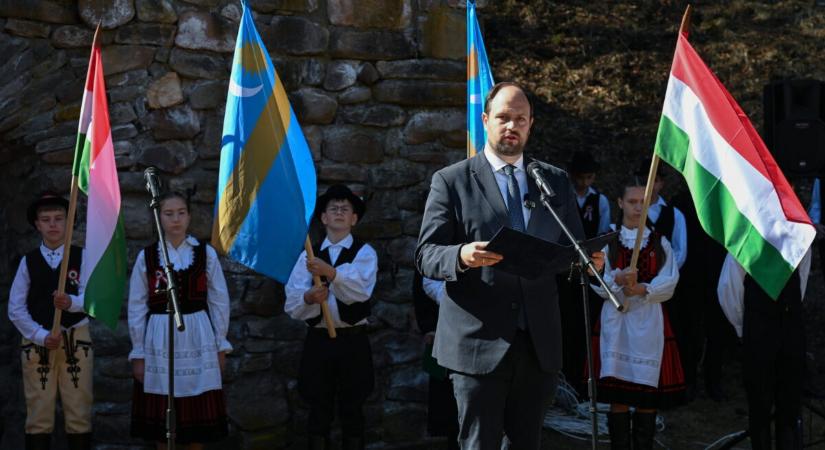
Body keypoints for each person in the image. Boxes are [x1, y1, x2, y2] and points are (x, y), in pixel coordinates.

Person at [415, 81, 602, 449]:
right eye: (503, 117)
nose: (512, 126)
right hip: (477, 342)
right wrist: (461, 255)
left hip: (538, 343)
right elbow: (426, 254)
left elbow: (572, 250)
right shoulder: (451, 181)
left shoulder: (554, 181)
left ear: (531, 124)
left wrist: (589, 261)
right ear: (486, 121)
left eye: (520, 119)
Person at [128, 191, 232, 449]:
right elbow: (137, 306)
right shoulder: (147, 257)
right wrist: (139, 352)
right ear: (158, 218)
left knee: (197, 422)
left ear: (189, 216)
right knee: (162, 420)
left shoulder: (205, 254)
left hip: (198, 337)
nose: (176, 219)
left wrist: (220, 344)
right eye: (169, 214)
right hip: (159, 339)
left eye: (181, 213)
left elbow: (219, 301)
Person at [589, 178, 685, 450]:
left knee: (646, 397)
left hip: (648, 323)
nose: (638, 207)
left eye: (644, 202)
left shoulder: (658, 242)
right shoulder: (607, 240)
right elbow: (597, 280)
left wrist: (644, 288)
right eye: (632, 202)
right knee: (618, 397)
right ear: (620, 203)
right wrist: (617, 281)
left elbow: (670, 280)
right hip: (617, 324)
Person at [285, 184, 378, 450]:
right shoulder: (308, 255)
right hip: (319, 341)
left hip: (353, 341)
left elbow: (360, 291)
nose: (339, 212)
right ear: (324, 218)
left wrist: (332, 273)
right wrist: (308, 298)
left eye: (345, 209)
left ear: (354, 219)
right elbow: (292, 301)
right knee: (317, 405)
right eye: (333, 208)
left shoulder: (365, 253)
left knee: (354, 406)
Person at [9, 192, 93, 450]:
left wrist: (71, 302)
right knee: (39, 413)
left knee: (79, 410)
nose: (53, 224)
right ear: (37, 224)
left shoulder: (83, 257)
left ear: (68, 222)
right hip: (38, 343)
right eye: (46, 220)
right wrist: (40, 335)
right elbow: (15, 308)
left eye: (59, 218)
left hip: (76, 340)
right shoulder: (28, 262)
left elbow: (94, 298)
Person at [717, 246, 811, 449]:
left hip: (790, 329)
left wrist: (789, 309)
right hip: (759, 328)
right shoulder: (746, 239)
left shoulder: (800, 236)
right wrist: (743, 327)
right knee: (760, 405)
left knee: (790, 405)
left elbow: (801, 279)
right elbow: (728, 288)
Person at [559, 150, 611, 396]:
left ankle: (582, 382)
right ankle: (563, 380)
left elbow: (603, 233)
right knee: (563, 324)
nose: (584, 182)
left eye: (589, 177)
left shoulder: (599, 201)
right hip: (563, 271)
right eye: (580, 177)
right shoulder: (562, 198)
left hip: (588, 269)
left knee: (585, 325)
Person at [412, 273, 459, 450]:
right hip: (439, 332)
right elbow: (423, 284)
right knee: (446, 403)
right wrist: (428, 326)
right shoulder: (430, 258)